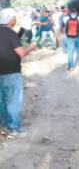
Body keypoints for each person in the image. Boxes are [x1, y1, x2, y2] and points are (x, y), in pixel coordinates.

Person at [0, 8, 36, 139]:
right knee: (13, 101)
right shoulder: (10, 34)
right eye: (14, 17)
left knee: (2, 100)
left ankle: (4, 125)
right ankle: (14, 128)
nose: (15, 20)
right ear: (10, 19)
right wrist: (31, 48)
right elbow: (22, 53)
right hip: (11, 73)